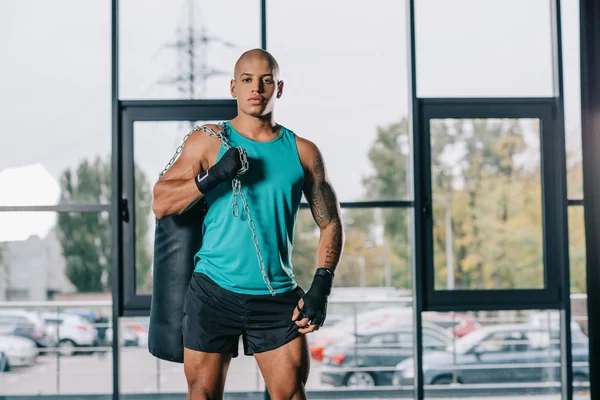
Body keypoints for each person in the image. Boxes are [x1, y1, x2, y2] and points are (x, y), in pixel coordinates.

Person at [152, 48, 345, 400]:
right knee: (202, 395)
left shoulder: (303, 151)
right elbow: (161, 203)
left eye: (266, 80)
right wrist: (212, 177)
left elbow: (330, 222)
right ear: (233, 87)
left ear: (279, 88)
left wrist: (322, 286)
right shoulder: (208, 141)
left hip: (276, 297)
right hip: (213, 291)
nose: (256, 87)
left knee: (291, 395)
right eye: (247, 80)